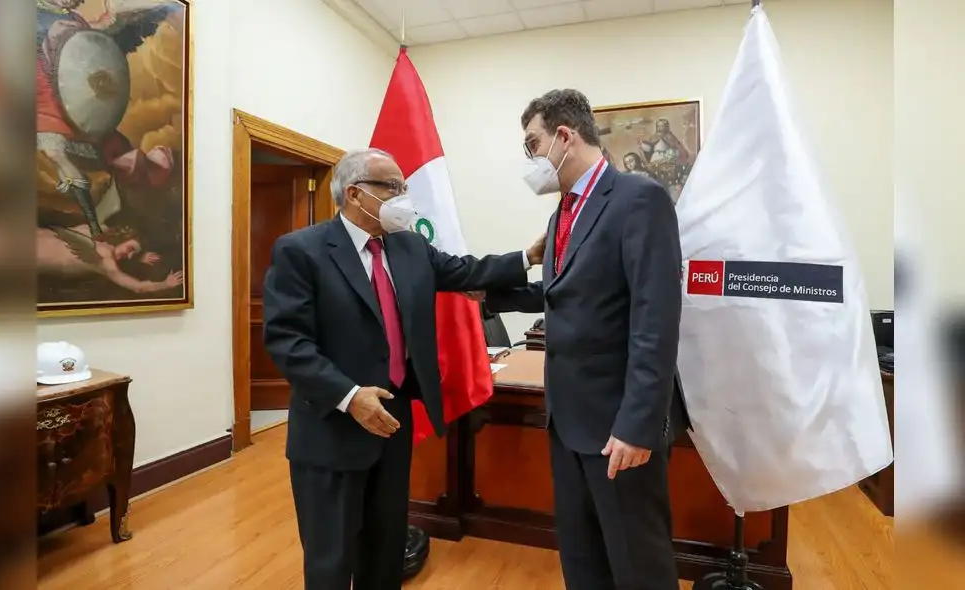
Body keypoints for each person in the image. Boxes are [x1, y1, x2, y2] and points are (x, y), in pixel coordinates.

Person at [262, 148, 545, 590]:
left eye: (405, 187)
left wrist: (527, 257)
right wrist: (350, 396)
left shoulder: (410, 246)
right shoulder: (302, 251)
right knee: (331, 558)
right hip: (331, 432)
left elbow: (465, 271)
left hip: (392, 426)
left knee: (385, 547)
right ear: (355, 194)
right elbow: (287, 341)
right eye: (392, 188)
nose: (403, 198)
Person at [484, 89, 691, 590]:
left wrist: (639, 424)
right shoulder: (562, 214)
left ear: (563, 136)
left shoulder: (638, 199)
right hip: (567, 420)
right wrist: (488, 295)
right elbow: (562, 293)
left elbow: (655, 318)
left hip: (620, 425)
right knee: (582, 558)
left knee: (636, 562)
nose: (531, 158)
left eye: (532, 144)